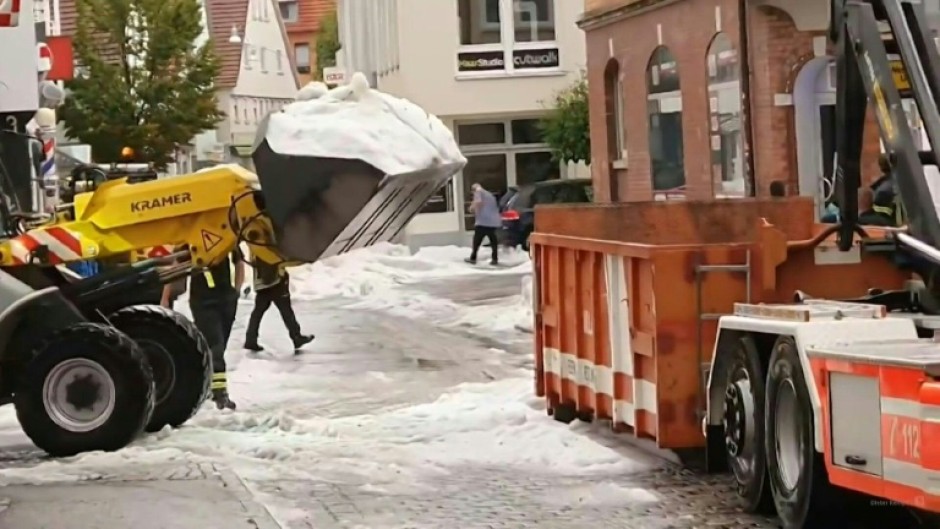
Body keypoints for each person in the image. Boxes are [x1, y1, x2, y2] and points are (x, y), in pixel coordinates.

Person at [162, 249, 244, 410]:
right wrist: (165, 297)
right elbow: (175, 268)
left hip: (226, 299)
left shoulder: (226, 236)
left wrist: (237, 290)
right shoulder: (192, 240)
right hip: (203, 302)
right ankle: (220, 394)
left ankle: (205, 384)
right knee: (216, 346)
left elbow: (239, 261)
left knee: (216, 347)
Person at [243, 257, 314, 353]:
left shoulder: (254, 246)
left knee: (258, 312)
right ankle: (296, 337)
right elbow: (279, 258)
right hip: (275, 280)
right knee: (286, 311)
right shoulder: (266, 243)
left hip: (261, 282)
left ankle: (250, 339)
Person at [464, 182, 502, 265]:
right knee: (493, 241)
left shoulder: (478, 191)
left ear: (473, 189)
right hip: (493, 221)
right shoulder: (490, 195)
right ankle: (495, 259)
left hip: (483, 221)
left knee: (477, 240)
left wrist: (472, 209)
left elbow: (478, 202)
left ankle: (473, 258)